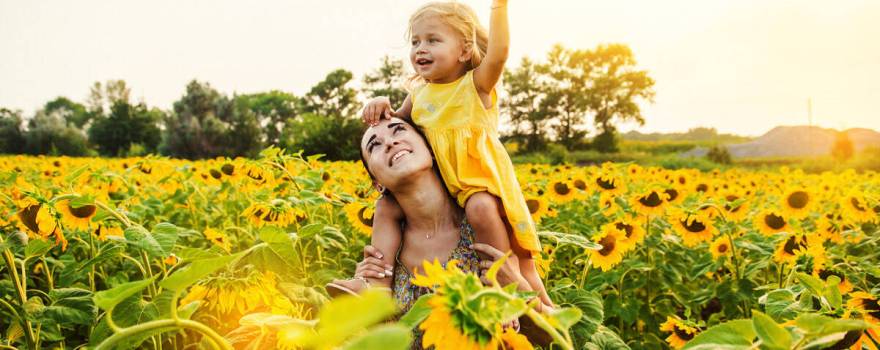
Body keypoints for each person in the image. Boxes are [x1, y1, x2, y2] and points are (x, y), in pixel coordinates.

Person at [327, 0, 552, 307]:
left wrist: (499, 7)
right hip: (450, 185)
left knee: (500, 235)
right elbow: (394, 127)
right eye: (416, 41)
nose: (421, 48)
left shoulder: (475, 87)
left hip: (482, 183)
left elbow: (498, 54)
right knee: (386, 206)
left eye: (433, 40)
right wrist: (380, 102)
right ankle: (376, 283)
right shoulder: (419, 95)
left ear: (463, 50)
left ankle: (508, 292)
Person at [343, 117, 552, 347]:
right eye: (375, 145)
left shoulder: (487, 221)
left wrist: (522, 295)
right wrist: (366, 301)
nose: (390, 143)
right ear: (377, 184)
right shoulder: (387, 248)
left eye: (399, 130)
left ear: (432, 151)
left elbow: (558, 336)